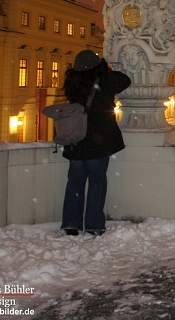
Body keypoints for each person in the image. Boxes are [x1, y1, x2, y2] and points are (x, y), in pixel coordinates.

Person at [61, 50, 131, 237]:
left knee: (75, 182)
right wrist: (104, 68)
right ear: (96, 65)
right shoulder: (104, 81)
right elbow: (125, 80)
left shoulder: (72, 82)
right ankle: (93, 224)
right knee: (96, 181)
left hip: (75, 138)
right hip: (97, 139)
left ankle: (70, 224)